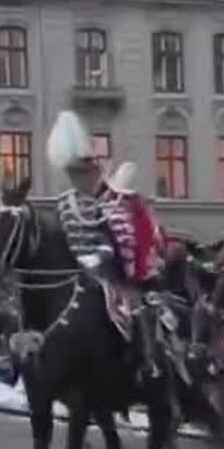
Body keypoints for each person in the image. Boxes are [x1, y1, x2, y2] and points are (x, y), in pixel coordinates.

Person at [44, 109, 179, 383]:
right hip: (74, 275)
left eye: (82, 173)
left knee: (134, 310)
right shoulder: (64, 203)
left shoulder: (116, 201)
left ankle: (147, 361)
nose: (77, 179)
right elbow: (60, 240)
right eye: (73, 173)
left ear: (94, 172)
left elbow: (123, 240)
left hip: (113, 276)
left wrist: (100, 263)